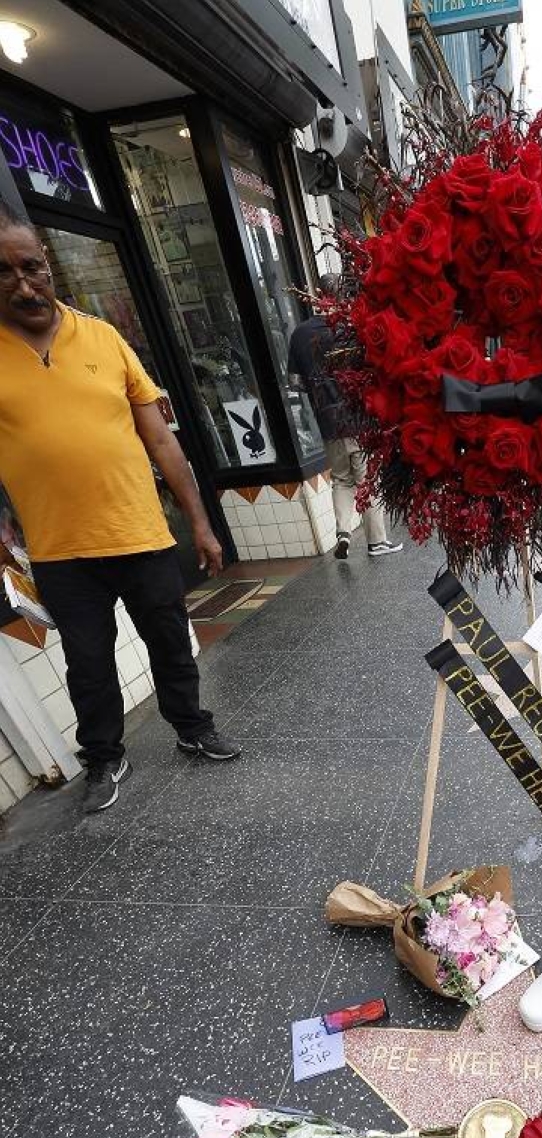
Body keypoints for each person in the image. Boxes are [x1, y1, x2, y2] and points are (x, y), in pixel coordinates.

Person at [0, 200, 239, 815]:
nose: (25, 284)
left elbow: (161, 439)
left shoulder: (104, 337)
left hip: (140, 533)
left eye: (32, 267)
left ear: (47, 263)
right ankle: (104, 757)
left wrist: (200, 524)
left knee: (170, 643)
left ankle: (191, 725)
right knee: (88, 665)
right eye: (4, 273)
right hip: (61, 550)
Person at [287, 273, 402, 560]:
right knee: (365, 481)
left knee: (340, 479)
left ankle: (343, 532)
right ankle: (377, 542)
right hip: (357, 418)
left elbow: (295, 383)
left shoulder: (299, 333)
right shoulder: (349, 329)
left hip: (327, 421)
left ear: (317, 293)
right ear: (342, 296)